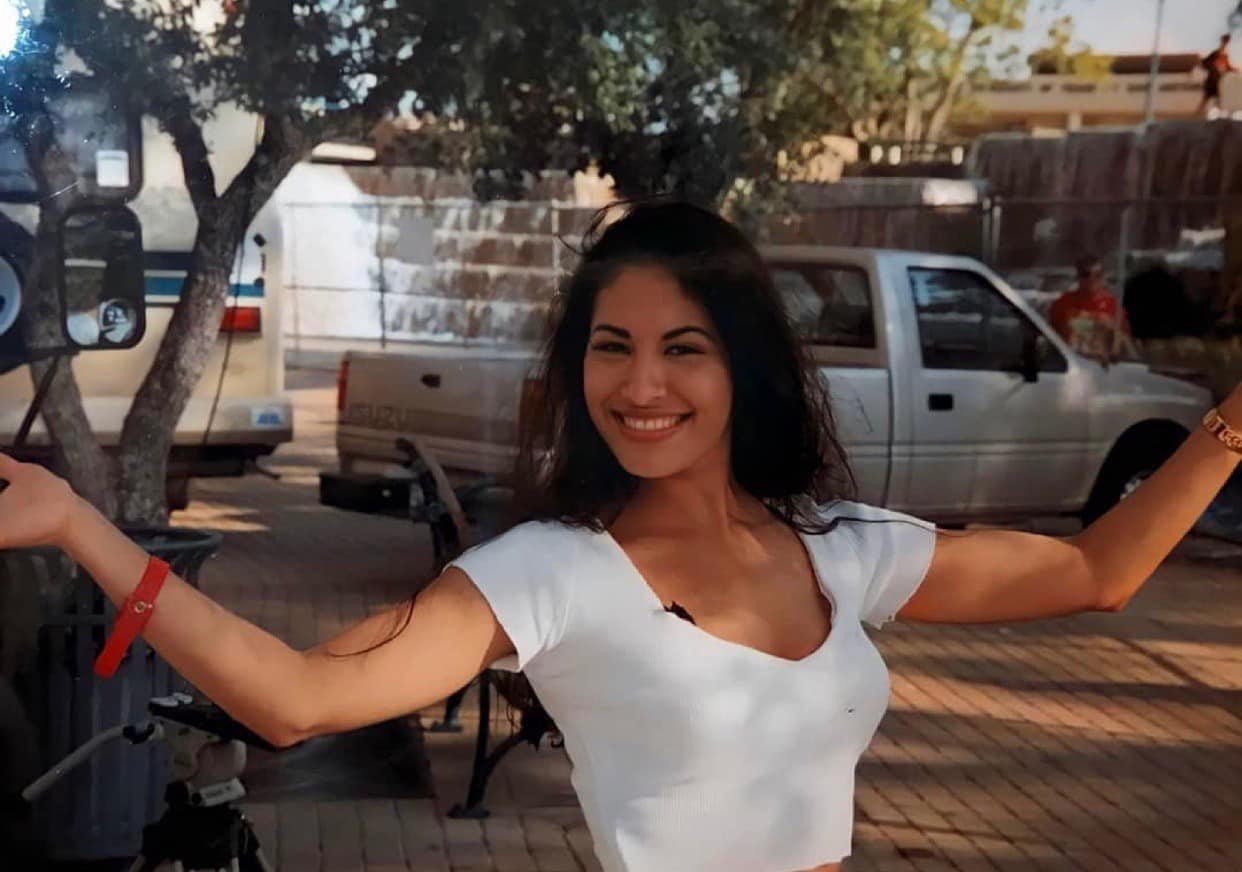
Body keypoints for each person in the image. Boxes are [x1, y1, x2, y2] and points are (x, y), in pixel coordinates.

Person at [3, 201, 1241, 872]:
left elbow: (1098, 569)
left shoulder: (841, 546)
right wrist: (78, 522)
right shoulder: (552, 571)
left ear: (743, 366)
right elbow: (294, 700)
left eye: (683, 347)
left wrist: (1229, 426)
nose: (642, 384)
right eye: (613, 346)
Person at [1048, 255, 1135, 363]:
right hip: (1073, 366)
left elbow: (1125, 341)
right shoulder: (1062, 304)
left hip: (1103, 366)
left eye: (1097, 275)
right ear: (1078, 276)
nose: (1091, 279)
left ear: (1104, 277)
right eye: (1086, 274)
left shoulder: (1113, 305)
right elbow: (1049, 337)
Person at [1198, 34, 1237, 118]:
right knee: (1208, 97)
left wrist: (1235, 70)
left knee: (1217, 97)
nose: (1226, 44)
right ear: (1222, 42)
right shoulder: (1216, 53)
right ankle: (1198, 113)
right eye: (1225, 41)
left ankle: (1219, 114)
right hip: (1212, 80)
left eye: (1227, 42)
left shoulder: (1225, 55)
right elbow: (1204, 62)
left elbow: (1228, 67)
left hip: (1218, 80)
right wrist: (1213, 67)